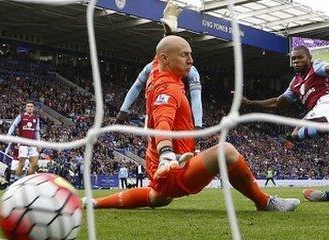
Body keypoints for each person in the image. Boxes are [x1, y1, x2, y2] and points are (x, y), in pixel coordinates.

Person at [84, 36, 299, 212]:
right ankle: (264, 202)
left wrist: (169, 23)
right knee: (226, 151)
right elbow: (163, 123)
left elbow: (165, 46)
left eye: (190, 54)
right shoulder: (167, 88)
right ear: (166, 59)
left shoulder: (158, 70)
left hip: (165, 168)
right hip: (173, 167)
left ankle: (96, 202)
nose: (191, 60)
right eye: (184, 55)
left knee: (158, 197)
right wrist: (167, 153)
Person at [241, 46, 329, 161]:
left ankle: (326, 125)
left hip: (328, 102)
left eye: (300, 57)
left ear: (309, 58)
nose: (296, 61)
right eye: (293, 58)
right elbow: (277, 103)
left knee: (296, 133)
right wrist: (250, 103)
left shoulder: (316, 66)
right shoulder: (294, 83)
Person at [116, 0, 203, 132]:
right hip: (161, 116)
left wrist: (123, 111)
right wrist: (198, 125)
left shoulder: (189, 69)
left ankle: (170, 29)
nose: (190, 60)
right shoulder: (154, 66)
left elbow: (137, 86)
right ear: (164, 57)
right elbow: (137, 86)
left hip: (169, 117)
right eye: (185, 54)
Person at [5, 101, 41, 176]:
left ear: (33, 108)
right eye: (28, 106)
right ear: (25, 108)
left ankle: (27, 180)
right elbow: (13, 125)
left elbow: (37, 131)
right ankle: (17, 181)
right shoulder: (21, 116)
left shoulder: (36, 119)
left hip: (33, 144)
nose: (29, 108)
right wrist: (8, 135)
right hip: (23, 144)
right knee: (21, 164)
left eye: (31, 106)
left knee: (35, 164)